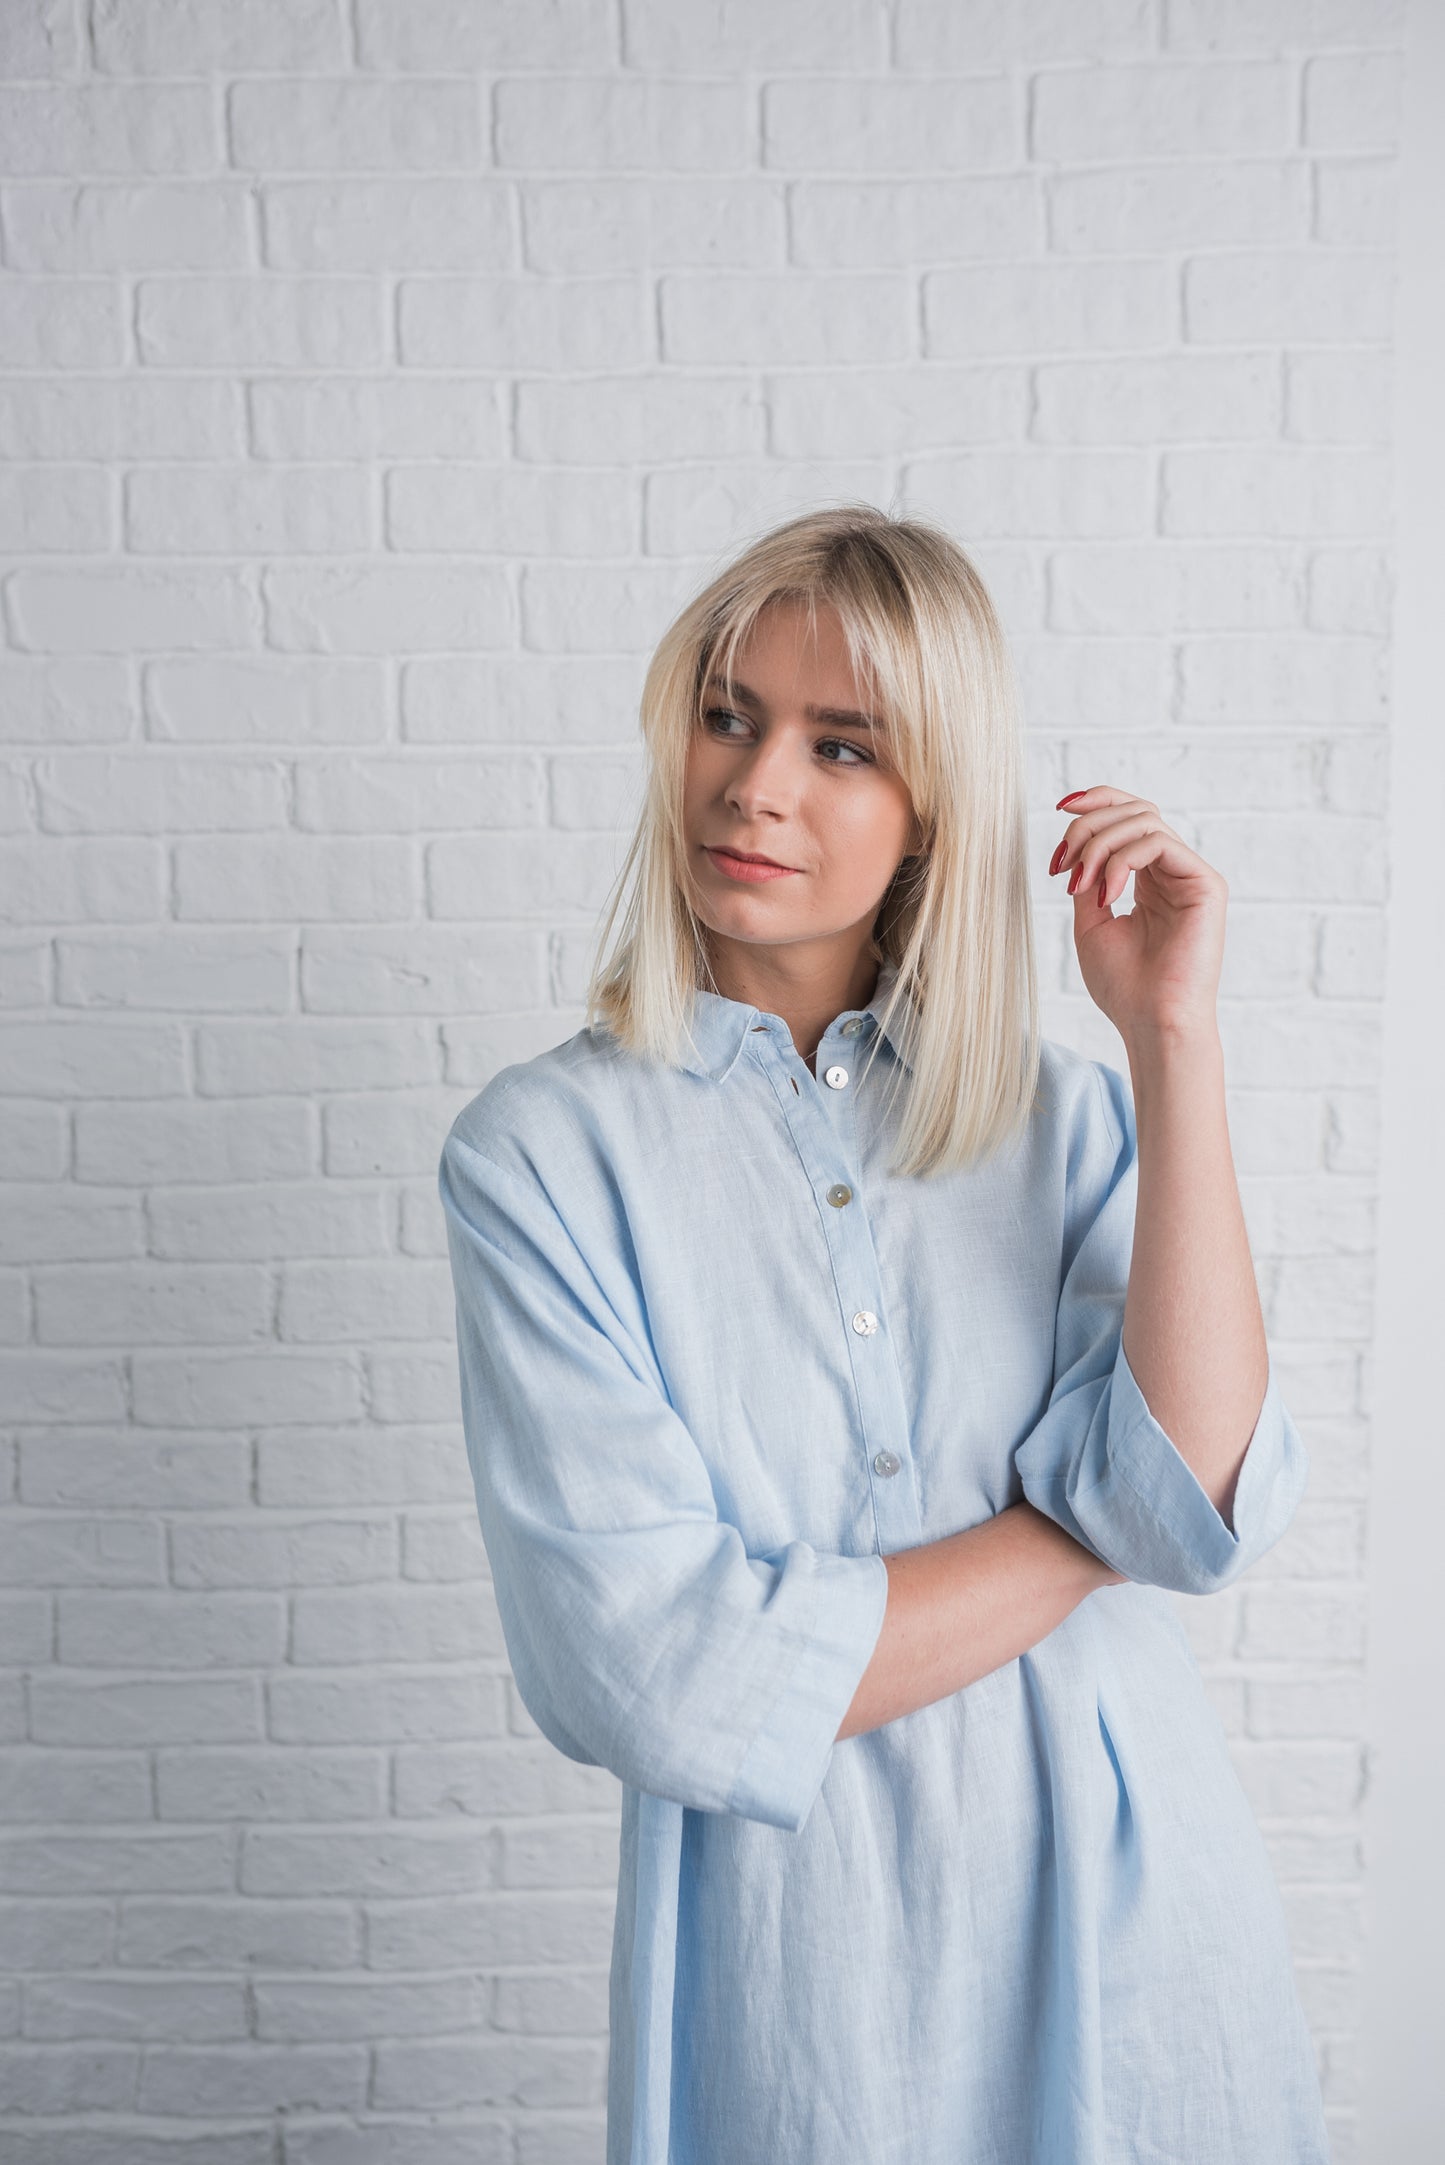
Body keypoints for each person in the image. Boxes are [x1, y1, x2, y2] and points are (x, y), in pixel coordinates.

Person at [438, 506, 1331, 2164]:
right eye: (726, 715)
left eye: (840, 745)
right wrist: (1086, 1523)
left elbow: (1200, 1497)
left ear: (931, 811)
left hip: (1140, 1946)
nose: (753, 784)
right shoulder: (540, 1159)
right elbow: (653, 1673)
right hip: (799, 1984)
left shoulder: (1065, 1120)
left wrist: (1171, 1035)